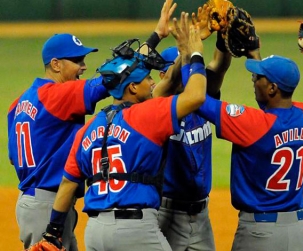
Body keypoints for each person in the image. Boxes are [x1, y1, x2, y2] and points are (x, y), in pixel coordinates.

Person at [32, 8, 208, 251]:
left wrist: (52, 232)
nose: (153, 82)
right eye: (147, 78)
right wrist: (196, 52)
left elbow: (67, 185)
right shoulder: (146, 116)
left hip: (94, 233)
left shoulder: (87, 130)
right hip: (135, 230)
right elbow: (197, 96)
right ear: (133, 88)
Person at [196, 48, 303, 249]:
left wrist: (192, 55)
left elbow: (198, 100)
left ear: (272, 88)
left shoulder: (254, 124)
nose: (253, 79)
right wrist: (255, 55)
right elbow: (276, 107)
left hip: (261, 233)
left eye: (259, 77)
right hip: (298, 231)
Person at [7, 31, 110, 249]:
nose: (83, 66)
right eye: (77, 61)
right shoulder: (56, 94)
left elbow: (12, 157)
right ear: (56, 65)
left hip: (38, 201)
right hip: (46, 205)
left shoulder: (18, 103)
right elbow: (105, 84)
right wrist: (153, 39)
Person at [153, 8, 232, 249]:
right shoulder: (155, 107)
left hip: (201, 214)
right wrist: (187, 51)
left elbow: (219, 66)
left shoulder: (203, 98)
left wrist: (224, 34)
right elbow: (166, 84)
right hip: (165, 211)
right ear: (163, 73)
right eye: (179, 68)